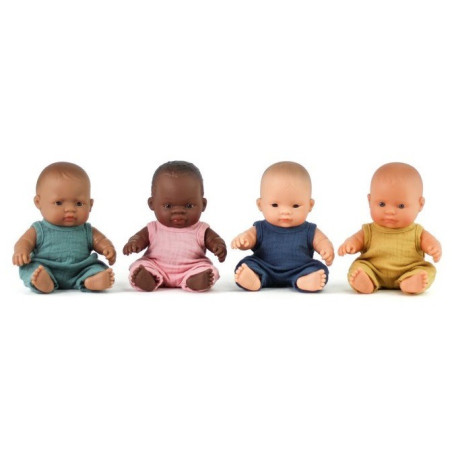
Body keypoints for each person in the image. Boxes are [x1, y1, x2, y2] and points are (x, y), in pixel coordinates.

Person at [338, 162, 441, 294]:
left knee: (428, 270)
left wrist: (433, 247)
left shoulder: (417, 232)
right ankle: (366, 281)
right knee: (358, 266)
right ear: (369, 201)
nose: (390, 211)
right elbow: (358, 239)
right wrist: (350, 244)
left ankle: (411, 282)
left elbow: (428, 241)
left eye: (401, 206)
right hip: (373, 269)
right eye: (382, 204)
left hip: (409, 269)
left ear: (420, 204)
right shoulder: (369, 230)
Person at [123, 161, 227, 292]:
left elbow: (214, 240)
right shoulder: (153, 228)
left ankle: (197, 280)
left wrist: (219, 247)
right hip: (156, 265)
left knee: (209, 270)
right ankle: (146, 278)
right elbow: (139, 238)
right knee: (140, 265)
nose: (178, 212)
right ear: (152, 203)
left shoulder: (201, 230)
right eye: (168, 206)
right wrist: (134, 243)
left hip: (192, 267)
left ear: (203, 204)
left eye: (189, 206)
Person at [13, 162, 116, 293]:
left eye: (79, 203)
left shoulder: (87, 230)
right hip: (45, 267)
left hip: (81, 269)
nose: (70, 209)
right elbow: (25, 241)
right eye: (59, 203)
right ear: (38, 202)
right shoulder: (39, 229)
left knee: (97, 267)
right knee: (29, 268)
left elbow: (100, 240)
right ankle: (43, 281)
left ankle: (91, 280)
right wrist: (21, 251)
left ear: (90, 205)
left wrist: (107, 248)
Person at [231, 161, 334, 292]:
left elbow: (321, 240)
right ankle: (254, 277)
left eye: (295, 206)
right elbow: (250, 237)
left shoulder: (309, 230)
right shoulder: (260, 228)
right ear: (260, 205)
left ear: (310, 205)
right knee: (246, 264)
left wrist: (326, 249)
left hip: (300, 268)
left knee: (319, 269)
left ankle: (305, 280)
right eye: (275, 205)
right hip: (265, 266)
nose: (285, 211)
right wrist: (244, 241)